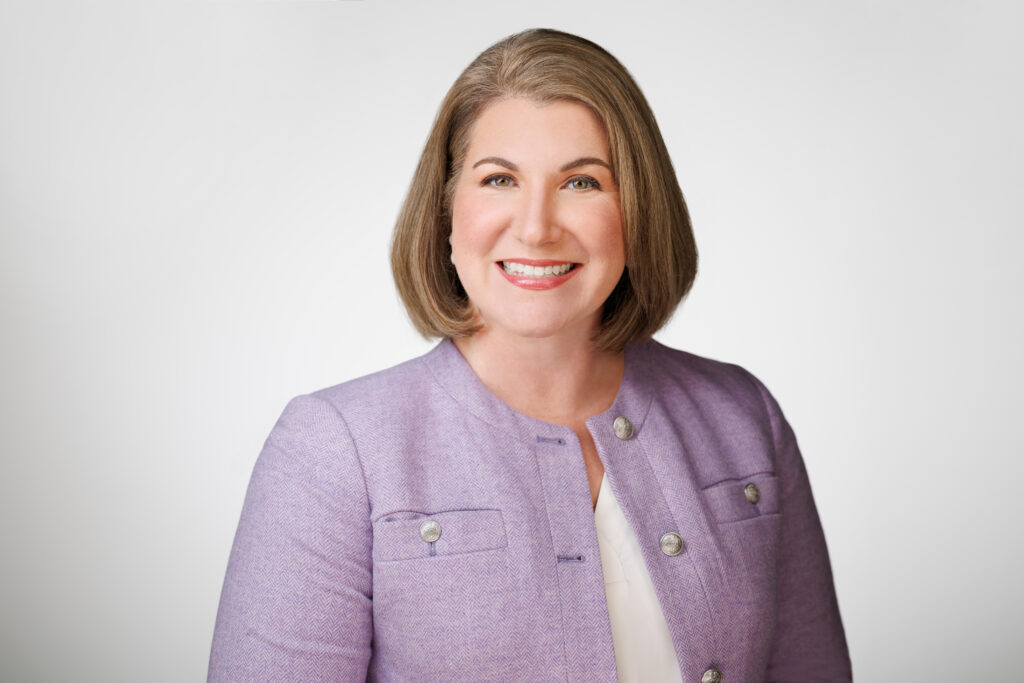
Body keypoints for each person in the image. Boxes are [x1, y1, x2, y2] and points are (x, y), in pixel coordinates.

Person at [208, 28, 851, 682]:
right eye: (499, 179)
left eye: (581, 181)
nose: (537, 226)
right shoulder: (332, 451)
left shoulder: (743, 418)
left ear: (637, 207)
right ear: (446, 213)